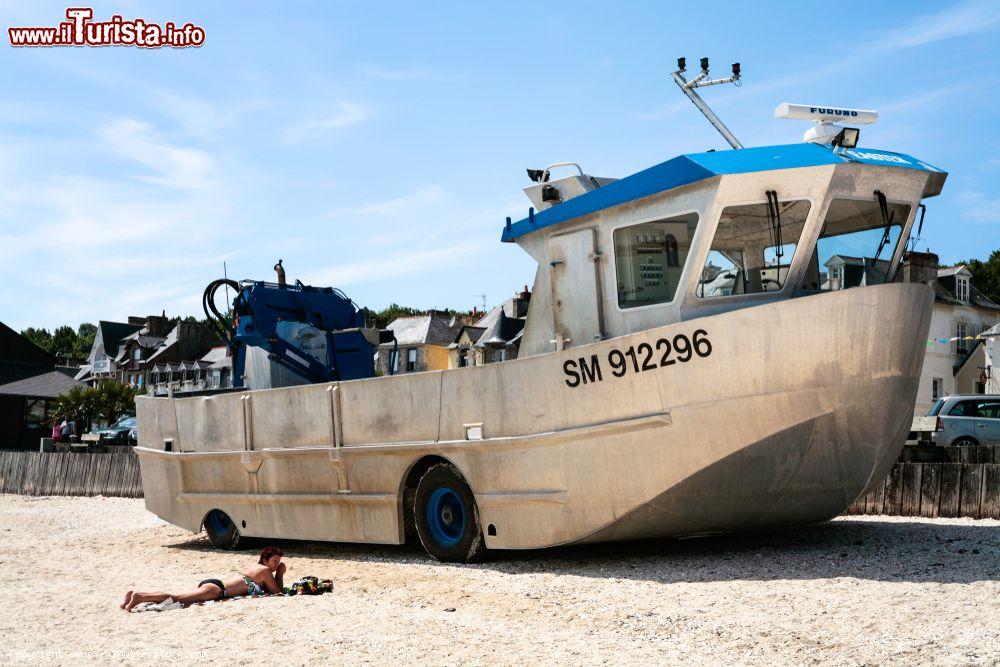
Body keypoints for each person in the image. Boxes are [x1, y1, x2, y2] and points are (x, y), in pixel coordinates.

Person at [121, 546, 286, 612]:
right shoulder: (264, 571)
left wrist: (277, 573)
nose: (276, 564)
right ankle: (140, 596)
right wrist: (280, 574)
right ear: (265, 560)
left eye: (278, 562)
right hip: (217, 590)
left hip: (214, 584)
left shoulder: (255, 569)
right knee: (177, 598)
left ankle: (133, 596)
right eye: (274, 561)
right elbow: (278, 592)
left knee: (179, 595)